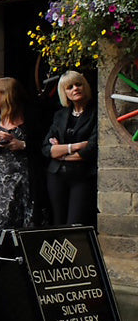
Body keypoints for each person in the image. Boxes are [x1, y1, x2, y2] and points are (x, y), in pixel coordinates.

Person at [0, 77, 37, 245]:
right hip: (1, 184)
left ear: (6, 95)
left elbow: (42, 148)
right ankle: (6, 261)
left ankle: (18, 265)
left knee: (24, 230)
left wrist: (23, 145)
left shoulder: (30, 118)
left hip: (25, 182)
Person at [41, 70, 98, 228]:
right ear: (64, 92)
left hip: (82, 176)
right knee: (58, 222)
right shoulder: (60, 115)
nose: (75, 89)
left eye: (78, 84)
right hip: (56, 175)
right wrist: (76, 146)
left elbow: (91, 149)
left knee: (76, 224)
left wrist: (61, 151)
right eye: (69, 87)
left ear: (85, 86)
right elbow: (47, 149)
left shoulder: (96, 113)